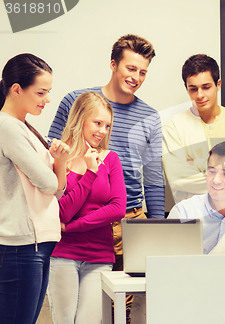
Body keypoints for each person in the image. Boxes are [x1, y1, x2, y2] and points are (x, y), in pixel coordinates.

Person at [48, 34, 163, 323]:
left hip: (130, 216)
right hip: (73, 216)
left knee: (124, 308)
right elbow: (54, 152)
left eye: (143, 72)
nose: (136, 77)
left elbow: (153, 176)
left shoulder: (150, 116)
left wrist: (158, 228)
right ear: (114, 65)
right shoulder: (77, 100)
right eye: (130, 68)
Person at [0, 53, 69, 324]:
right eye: (41, 92)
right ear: (16, 89)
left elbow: (58, 188)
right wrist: (55, 171)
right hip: (20, 245)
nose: (47, 99)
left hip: (35, 244)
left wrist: (60, 162)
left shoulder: (24, 127)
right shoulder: (7, 127)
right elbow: (49, 183)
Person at [47, 92, 126, 324]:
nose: (102, 131)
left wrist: (72, 228)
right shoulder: (60, 158)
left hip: (100, 256)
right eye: (97, 123)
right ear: (80, 119)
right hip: (63, 254)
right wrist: (90, 173)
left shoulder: (111, 159)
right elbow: (62, 212)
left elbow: (118, 208)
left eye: (107, 125)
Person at [163, 54, 225, 204]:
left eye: (206, 87)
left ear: (218, 84)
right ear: (186, 88)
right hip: (193, 218)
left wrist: (195, 163)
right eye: (193, 89)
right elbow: (178, 179)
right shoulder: (173, 127)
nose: (200, 95)